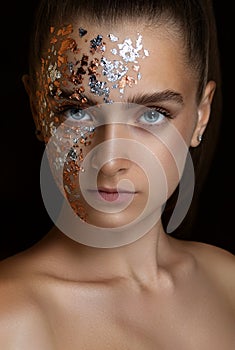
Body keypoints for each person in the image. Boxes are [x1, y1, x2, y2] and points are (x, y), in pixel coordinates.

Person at [0, 0, 234, 348]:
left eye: (152, 114)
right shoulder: (9, 319)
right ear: (37, 109)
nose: (109, 160)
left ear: (201, 115)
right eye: (76, 111)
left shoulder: (227, 283)